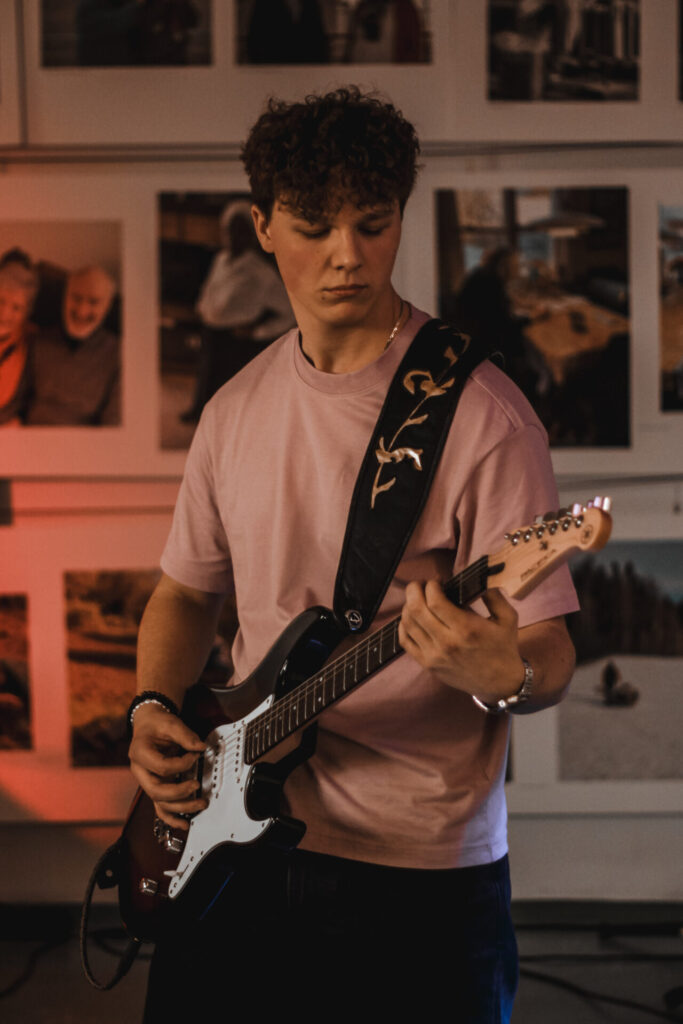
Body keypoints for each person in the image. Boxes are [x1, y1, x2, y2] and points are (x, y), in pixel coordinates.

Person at [128, 87, 578, 1023]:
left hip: (417, 869)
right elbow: (184, 594)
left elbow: (549, 652)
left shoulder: (482, 416)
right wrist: (152, 708)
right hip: (234, 837)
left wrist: (504, 676)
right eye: (314, 227)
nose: (347, 254)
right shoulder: (233, 410)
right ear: (262, 225)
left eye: (373, 225)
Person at [181, 199, 295, 421]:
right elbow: (209, 288)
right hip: (211, 332)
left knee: (230, 389)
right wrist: (202, 308)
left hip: (235, 339)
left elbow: (289, 312)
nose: (233, 237)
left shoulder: (260, 272)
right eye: (229, 231)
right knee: (205, 377)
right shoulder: (220, 259)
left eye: (240, 232)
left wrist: (257, 332)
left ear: (251, 235)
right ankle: (199, 413)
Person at [25, 265, 120, 426]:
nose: (82, 311)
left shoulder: (118, 355)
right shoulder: (39, 340)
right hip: (30, 433)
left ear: (107, 306)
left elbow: (114, 423)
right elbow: (18, 400)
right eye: (76, 298)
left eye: (93, 302)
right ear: (65, 296)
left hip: (80, 439)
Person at [0, 253, 39, 427]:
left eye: (16, 308)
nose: (4, 314)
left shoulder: (33, 341)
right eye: (0, 301)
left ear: (27, 312)